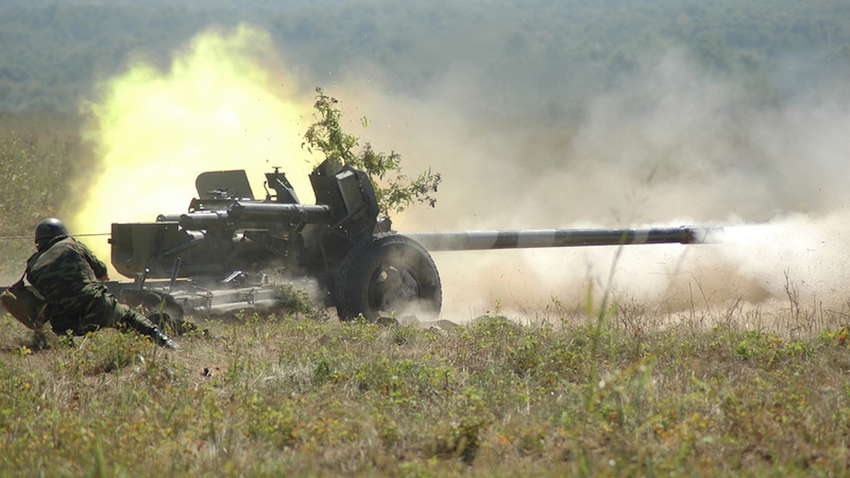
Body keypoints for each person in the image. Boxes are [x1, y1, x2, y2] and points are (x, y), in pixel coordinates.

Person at [22, 217, 178, 349]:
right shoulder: (72, 245)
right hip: (95, 304)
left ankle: (69, 355)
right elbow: (101, 272)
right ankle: (165, 342)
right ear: (62, 233)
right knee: (128, 317)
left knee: (59, 329)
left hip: (65, 320)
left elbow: (42, 294)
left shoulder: (32, 265)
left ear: (38, 242)